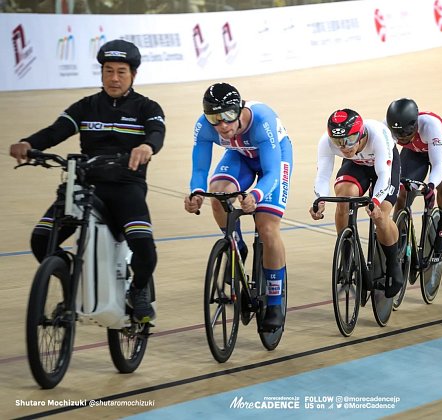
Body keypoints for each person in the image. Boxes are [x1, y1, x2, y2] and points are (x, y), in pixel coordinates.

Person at [9, 39, 165, 323]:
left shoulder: (147, 107)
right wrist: (28, 142)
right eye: (108, 71)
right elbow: (56, 131)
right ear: (102, 72)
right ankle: (69, 281)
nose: (114, 78)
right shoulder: (87, 106)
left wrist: (147, 147)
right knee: (41, 240)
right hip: (84, 186)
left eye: (121, 71)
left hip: (126, 187)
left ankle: (139, 291)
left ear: (133, 75)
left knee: (145, 248)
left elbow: (156, 132)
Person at [183, 82, 292, 331]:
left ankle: (274, 301)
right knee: (217, 193)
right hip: (240, 156)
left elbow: (273, 172)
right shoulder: (204, 127)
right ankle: (236, 244)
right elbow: (200, 170)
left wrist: (256, 193)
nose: (222, 125)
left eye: (229, 116)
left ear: (239, 108)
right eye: (214, 119)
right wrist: (196, 192)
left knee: (267, 227)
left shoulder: (261, 120)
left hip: (275, 159)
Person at [309, 108, 402, 298]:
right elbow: (323, 175)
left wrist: (375, 201)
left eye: (350, 140)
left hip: (384, 168)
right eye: (338, 142)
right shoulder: (326, 142)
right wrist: (319, 199)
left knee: (381, 215)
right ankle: (347, 255)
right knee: (344, 197)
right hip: (357, 166)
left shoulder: (378, 135)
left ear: (361, 134)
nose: (344, 147)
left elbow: (384, 175)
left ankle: (393, 262)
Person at [385, 98, 442, 258]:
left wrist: (431, 185)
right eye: (399, 136)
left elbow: (438, 164)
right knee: (401, 191)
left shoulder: (430, 125)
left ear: (416, 125)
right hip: (415, 152)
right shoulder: (385, 127)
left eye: (407, 134)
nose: (403, 139)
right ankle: (400, 230)